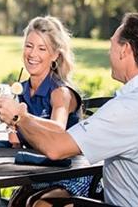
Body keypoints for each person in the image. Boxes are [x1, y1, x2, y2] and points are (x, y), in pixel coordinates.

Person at [0, 13, 138, 207]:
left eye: (112, 44)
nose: (109, 51)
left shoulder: (124, 109)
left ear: (125, 50)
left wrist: (18, 117)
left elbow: (55, 148)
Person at [6, 16, 92, 201]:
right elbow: (16, 143)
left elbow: (57, 129)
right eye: (29, 46)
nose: (32, 54)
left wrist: (20, 117)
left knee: (41, 204)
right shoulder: (21, 90)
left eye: (41, 48)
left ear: (55, 55)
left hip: (70, 174)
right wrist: (11, 125)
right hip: (38, 174)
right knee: (16, 202)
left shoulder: (61, 92)